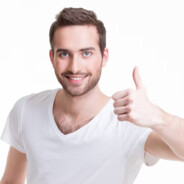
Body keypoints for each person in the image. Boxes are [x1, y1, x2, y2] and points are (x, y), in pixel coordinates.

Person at [0, 7, 184, 184]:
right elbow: (10, 181)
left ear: (104, 57)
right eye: (64, 54)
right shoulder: (26, 110)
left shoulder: (128, 121)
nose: (75, 67)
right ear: (52, 58)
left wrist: (159, 118)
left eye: (86, 53)